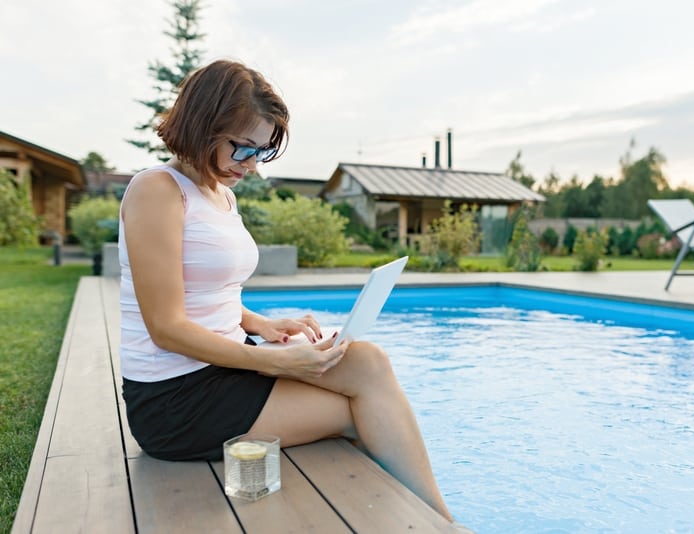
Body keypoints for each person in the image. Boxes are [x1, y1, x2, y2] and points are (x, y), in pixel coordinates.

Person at [118, 59, 455, 523]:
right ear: (203, 124)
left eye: (262, 152)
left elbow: (210, 292)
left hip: (228, 364)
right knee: (360, 412)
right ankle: (436, 524)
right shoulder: (155, 191)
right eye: (244, 149)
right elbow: (166, 328)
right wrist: (273, 360)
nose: (252, 166)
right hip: (176, 398)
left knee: (368, 362)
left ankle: (439, 517)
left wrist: (261, 324)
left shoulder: (221, 194)